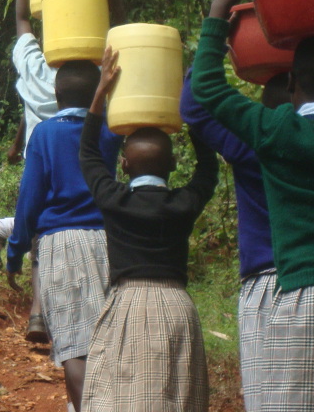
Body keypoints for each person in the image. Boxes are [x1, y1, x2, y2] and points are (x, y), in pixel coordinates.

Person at [191, 0, 314, 411]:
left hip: (307, 300)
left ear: (291, 85)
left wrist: (219, 12)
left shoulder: (276, 131)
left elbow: (206, 88)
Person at [0, 0, 118, 343]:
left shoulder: (38, 71)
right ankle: (62, 314)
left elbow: (22, 19)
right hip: (88, 175)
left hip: (46, 156)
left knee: (40, 221)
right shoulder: (96, 77)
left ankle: (38, 310)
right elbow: (116, 24)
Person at [79, 46, 218, 412]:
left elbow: (89, 154)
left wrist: (100, 93)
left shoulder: (113, 199)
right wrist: (189, 115)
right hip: (176, 306)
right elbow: (208, 170)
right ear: (173, 163)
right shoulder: (183, 204)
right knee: (178, 395)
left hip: (128, 304)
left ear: (123, 165)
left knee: (123, 396)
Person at [5, 60, 122, 411]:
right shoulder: (109, 131)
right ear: (97, 95)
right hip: (109, 242)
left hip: (62, 245)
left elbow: (30, 200)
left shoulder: (44, 134)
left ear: (56, 96)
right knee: (108, 341)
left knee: (75, 347)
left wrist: (15, 252)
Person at [180, 67, 288, 411]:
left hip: (267, 283)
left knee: (267, 397)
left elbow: (194, 108)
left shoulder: (253, 142)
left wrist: (202, 63)